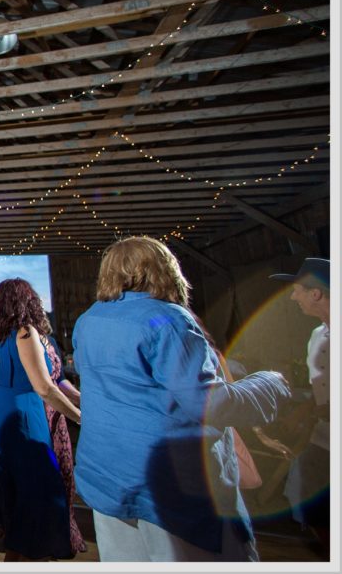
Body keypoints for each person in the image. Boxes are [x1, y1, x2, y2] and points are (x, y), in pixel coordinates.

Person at [72, 236, 291, 561]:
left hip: (107, 476)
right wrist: (269, 384)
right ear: (164, 268)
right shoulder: (168, 320)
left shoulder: (89, 320)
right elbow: (209, 404)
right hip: (168, 485)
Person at [0, 278, 80, 561]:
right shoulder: (25, 333)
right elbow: (44, 387)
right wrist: (79, 417)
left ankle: (19, 546)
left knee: (11, 486)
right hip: (23, 413)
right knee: (39, 489)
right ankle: (28, 551)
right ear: (30, 301)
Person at [269, 258, 330, 551]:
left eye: (297, 290)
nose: (293, 297)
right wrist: (304, 412)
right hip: (323, 439)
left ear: (316, 294)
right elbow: (323, 388)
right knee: (312, 506)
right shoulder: (317, 336)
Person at [40, 335, 87, 555]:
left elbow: (58, 379)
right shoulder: (23, 337)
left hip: (55, 414)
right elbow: (46, 387)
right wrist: (77, 415)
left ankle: (64, 530)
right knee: (47, 476)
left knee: (65, 473)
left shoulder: (49, 339)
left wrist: (80, 397)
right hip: (39, 412)